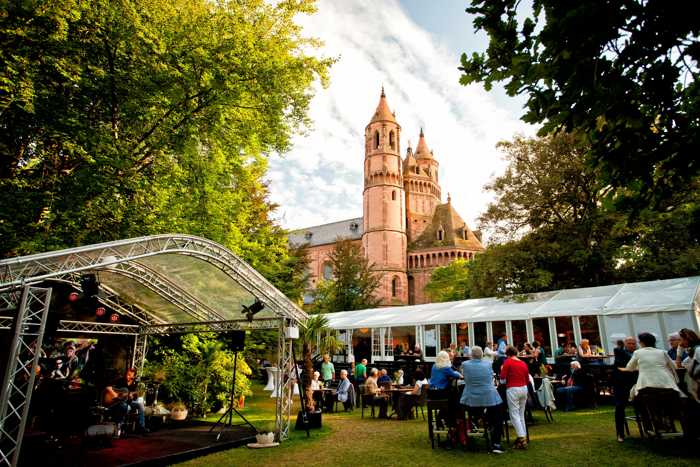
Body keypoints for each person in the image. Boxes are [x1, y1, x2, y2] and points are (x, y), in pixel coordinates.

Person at [460, 346, 504, 454]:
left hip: (471, 398)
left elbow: (464, 377)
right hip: (488, 396)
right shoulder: (488, 364)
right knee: (498, 415)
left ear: (471, 355)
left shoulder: (465, 365)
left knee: (464, 411)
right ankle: (496, 443)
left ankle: (467, 436)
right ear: (482, 355)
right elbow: (490, 377)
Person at [621, 332, 682, 400]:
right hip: (666, 383)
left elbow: (629, 368)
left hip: (646, 384)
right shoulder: (662, 352)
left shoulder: (637, 352)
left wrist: (639, 367)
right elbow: (675, 366)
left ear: (642, 343)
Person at [499, 345, 529, 449]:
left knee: (514, 414)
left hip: (513, 388)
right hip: (524, 388)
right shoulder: (523, 363)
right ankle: (523, 436)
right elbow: (527, 378)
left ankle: (521, 437)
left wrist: (502, 370)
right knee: (521, 414)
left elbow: (502, 378)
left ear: (507, 354)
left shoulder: (508, 362)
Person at [613, 337, 638, 442]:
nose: (632, 345)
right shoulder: (621, 353)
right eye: (629, 343)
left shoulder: (639, 353)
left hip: (637, 383)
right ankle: (620, 433)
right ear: (625, 344)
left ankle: (650, 427)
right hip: (623, 384)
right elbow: (620, 363)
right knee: (619, 406)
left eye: (633, 343)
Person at [679, 328, 700, 402]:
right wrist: (679, 350)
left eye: (681, 339)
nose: (680, 342)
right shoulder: (689, 354)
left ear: (687, 339)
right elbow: (679, 365)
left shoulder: (698, 350)